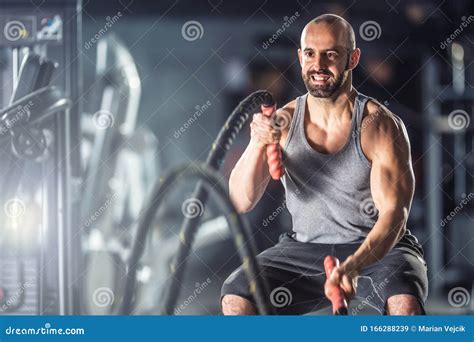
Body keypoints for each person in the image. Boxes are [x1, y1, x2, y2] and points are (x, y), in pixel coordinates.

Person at [221, 14, 428, 315]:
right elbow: (241, 200)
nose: (318, 65)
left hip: (379, 250)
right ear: (300, 57)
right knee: (237, 297)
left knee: (404, 304)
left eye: (331, 54)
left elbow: (394, 217)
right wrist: (256, 141)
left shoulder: (379, 126)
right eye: (310, 53)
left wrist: (353, 266)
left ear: (352, 58)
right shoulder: (282, 121)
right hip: (303, 250)